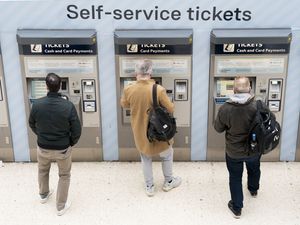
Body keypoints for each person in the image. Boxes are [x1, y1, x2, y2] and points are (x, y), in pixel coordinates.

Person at [121, 59, 181, 197]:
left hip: (141, 131)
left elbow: (124, 104)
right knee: (166, 155)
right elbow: (171, 108)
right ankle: (168, 182)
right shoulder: (158, 89)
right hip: (159, 130)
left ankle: (149, 187)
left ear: (136, 72)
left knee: (145, 158)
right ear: (150, 72)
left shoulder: (129, 88)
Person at [29, 73, 81, 216]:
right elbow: (77, 129)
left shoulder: (37, 104)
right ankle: (60, 206)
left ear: (46, 86)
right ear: (60, 87)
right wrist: (70, 142)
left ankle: (43, 195)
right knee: (64, 175)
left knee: (42, 170)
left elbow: (31, 123)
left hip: (43, 147)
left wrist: (41, 135)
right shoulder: (68, 106)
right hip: (62, 149)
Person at [214, 76, 262, 219]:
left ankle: (237, 208)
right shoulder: (257, 105)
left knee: (235, 177)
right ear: (250, 89)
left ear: (234, 89)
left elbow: (218, 128)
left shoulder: (226, 108)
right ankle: (253, 190)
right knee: (254, 168)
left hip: (233, 151)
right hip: (254, 148)